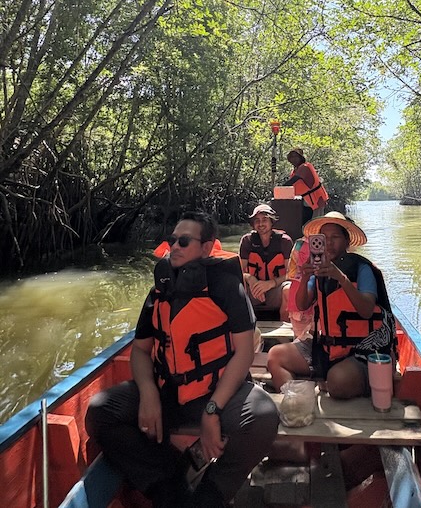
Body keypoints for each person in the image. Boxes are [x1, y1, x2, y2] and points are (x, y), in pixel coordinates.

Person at [86, 210, 279, 508]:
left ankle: (208, 497)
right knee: (100, 411)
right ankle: (169, 487)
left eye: (184, 241)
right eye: (173, 240)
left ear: (206, 247)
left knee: (263, 417)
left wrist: (213, 410)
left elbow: (244, 352)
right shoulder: (159, 291)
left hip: (216, 393)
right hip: (168, 393)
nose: (174, 246)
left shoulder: (226, 287)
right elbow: (140, 350)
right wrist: (148, 392)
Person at [267, 211, 396, 400]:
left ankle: (355, 380)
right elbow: (302, 305)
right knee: (275, 356)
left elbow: (367, 310)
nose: (329, 243)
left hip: (362, 350)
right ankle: (296, 401)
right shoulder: (318, 269)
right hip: (325, 347)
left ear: (347, 242)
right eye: (324, 238)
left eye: (335, 237)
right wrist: (305, 277)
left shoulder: (362, 268)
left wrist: (340, 278)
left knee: (337, 381)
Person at [239, 203, 293, 320]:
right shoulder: (247, 241)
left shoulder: (285, 241)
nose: (261, 224)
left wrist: (270, 284)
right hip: (254, 291)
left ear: (271, 221)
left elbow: (291, 273)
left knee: (289, 289)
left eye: (264, 219)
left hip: (276, 290)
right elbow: (239, 271)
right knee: (234, 287)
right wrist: (251, 279)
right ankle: (244, 330)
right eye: (257, 220)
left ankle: (285, 334)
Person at [281, 147, 329, 224]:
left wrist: (278, 189)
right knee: (306, 225)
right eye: (292, 157)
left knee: (315, 226)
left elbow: (292, 181)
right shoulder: (295, 171)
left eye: (296, 156)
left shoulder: (304, 167)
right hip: (306, 203)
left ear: (301, 158)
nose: (293, 159)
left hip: (316, 201)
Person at [285, 236, 314, 340]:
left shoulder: (299, 243)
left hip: (299, 291)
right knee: (301, 340)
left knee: (300, 341)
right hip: (301, 293)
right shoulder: (301, 244)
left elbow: (291, 271)